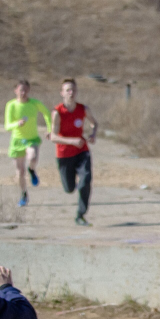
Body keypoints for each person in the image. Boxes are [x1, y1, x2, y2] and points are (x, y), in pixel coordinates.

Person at [50, 78, 98, 226]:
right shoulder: (58, 112)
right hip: (64, 154)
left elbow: (94, 123)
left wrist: (93, 134)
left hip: (81, 151)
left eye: (73, 90)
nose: (71, 93)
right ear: (62, 93)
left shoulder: (83, 109)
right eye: (68, 90)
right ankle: (72, 185)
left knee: (86, 180)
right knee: (69, 188)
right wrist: (71, 141)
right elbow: (53, 136)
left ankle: (80, 215)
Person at [4, 80, 52, 208]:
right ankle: (24, 194)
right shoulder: (11, 105)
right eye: (21, 90)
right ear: (16, 91)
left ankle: (32, 170)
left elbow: (47, 113)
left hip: (31, 139)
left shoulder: (34, 103)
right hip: (17, 141)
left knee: (33, 157)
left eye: (26, 90)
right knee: (20, 173)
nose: (23, 93)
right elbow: (7, 126)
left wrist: (49, 129)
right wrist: (17, 123)